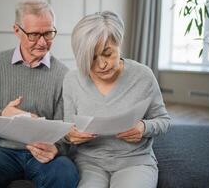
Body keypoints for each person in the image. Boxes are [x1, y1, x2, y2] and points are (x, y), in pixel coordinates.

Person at [0, 0, 79, 188]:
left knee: (66, 173)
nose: (43, 42)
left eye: (48, 33)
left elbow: (64, 132)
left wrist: (56, 148)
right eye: (34, 34)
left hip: (44, 154)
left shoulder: (63, 74)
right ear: (16, 30)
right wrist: (3, 116)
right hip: (0, 151)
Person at [63, 11, 171, 188]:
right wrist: (71, 135)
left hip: (135, 161)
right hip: (89, 163)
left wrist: (144, 127)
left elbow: (164, 120)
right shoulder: (71, 80)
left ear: (119, 44)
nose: (101, 64)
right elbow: (68, 127)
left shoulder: (143, 75)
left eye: (107, 53)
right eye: (91, 58)